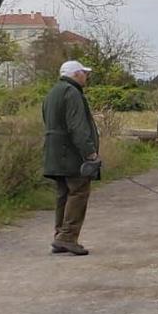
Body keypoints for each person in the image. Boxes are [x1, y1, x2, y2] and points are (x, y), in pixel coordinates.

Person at [41, 58, 101, 255]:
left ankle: (60, 235)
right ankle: (68, 237)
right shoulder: (72, 92)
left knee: (63, 194)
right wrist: (89, 152)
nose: (86, 76)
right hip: (71, 153)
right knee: (79, 191)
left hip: (54, 152)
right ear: (76, 74)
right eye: (84, 73)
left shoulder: (53, 92)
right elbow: (77, 126)